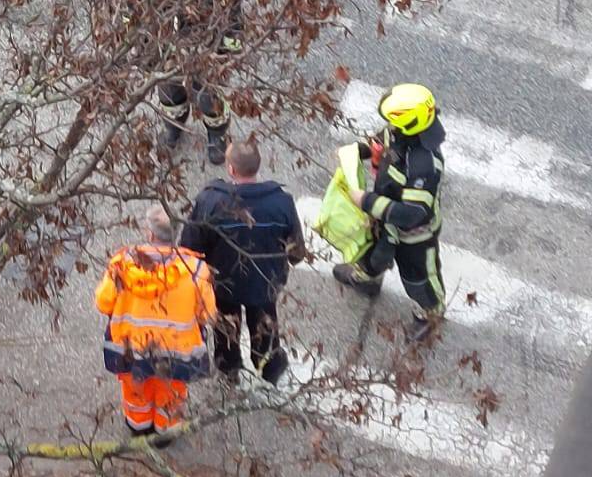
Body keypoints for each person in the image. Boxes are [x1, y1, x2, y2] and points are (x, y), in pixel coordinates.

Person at [180, 139, 305, 383]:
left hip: (224, 283)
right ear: (257, 167)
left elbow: (190, 248)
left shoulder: (210, 203)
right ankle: (269, 367)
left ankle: (229, 368)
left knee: (226, 325)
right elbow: (296, 251)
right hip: (265, 281)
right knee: (265, 322)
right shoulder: (282, 202)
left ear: (231, 169)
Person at [332, 83, 446, 339]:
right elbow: (377, 143)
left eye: (393, 121)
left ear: (409, 123)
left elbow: (413, 213)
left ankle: (430, 312)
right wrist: (355, 152)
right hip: (385, 217)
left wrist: (367, 201)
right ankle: (367, 278)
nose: (389, 127)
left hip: (414, 235)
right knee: (371, 252)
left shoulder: (424, 163)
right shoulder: (399, 133)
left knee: (419, 278)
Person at [95, 202, 216, 439]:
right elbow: (208, 315)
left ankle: (139, 430)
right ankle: (165, 434)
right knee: (171, 396)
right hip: (177, 352)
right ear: (177, 233)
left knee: (136, 393)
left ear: (149, 233)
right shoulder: (196, 269)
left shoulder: (122, 264)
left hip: (131, 349)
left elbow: (103, 303)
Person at [138, 0, 241, 165]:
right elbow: (137, 5)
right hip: (165, 44)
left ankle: (217, 134)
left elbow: (233, 15)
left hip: (203, 44)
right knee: (168, 90)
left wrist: (225, 50)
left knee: (207, 94)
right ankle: (175, 124)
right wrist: (143, 46)